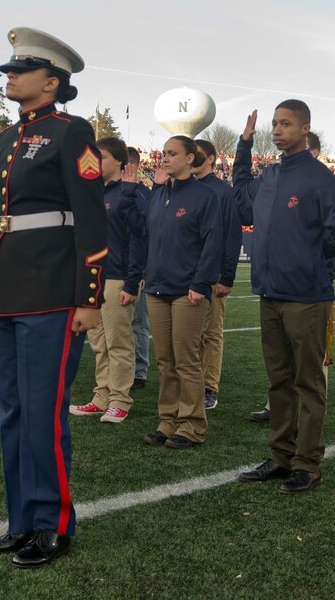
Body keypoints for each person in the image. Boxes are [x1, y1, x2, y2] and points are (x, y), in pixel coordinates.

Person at [0, 27, 107, 568]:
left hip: (53, 290)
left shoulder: (72, 132)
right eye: (8, 70)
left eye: (20, 70)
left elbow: (91, 218)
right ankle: (19, 521)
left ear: (51, 81)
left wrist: (89, 297)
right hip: (10, 286)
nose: (9, 76)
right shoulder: (9, 138)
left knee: (42, 412)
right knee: (12, 411)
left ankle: (52, 523)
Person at [233, 101, 335, 494]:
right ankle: (281, 456)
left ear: (305, 128)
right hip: (270, 294)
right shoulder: (270, 175)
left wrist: (307, 257)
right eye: (274, 123)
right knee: (278, 382)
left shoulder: (320, 178)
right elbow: (240, 203)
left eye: (285, 123)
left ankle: (308, 464)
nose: (277, 129)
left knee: (308, 384)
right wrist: (244, 145)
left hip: (306, 296)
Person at [245, 131, 335, 423]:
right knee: (281, 362)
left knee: (310, 361)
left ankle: (308, 416)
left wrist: (317, 269)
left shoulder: (321, 182)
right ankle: (277, 407)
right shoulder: (277, 181)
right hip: (279, 286)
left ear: (316, 153)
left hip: (310, 286)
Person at [142, 136, 221, 449]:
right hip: (158, 288)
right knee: (165, 360)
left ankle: (192, 426)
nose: (164, 158)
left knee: (186, 360)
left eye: (172, 154)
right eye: (163, 153)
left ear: (191, 158)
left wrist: (200, 284)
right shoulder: (160, 194)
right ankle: (168, 420)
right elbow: (148, 234)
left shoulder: (205, 196)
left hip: (187, 290)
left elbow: (212, 242)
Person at [70, 136, 147, 423]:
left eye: (101, 156)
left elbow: (140, 239)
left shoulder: (132, 193)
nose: (95, 161)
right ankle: (101, 396)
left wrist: (132, 281)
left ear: (119, 162)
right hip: (93, 276)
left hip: (117, 277)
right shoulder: (93, 193)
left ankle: (120, 400)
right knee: (99, 342)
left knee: (118, 343)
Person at [192, 138, 243, 410]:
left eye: (199, 154)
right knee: (189, 334)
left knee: (211, 333)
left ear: (211, 158)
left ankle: (209, 387)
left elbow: (233, 236)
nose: (194, 158)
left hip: (211, 275)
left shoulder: (223, 192)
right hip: (185, 272)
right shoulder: (183, 187)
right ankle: (189, 384)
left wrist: (227, 277)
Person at [124, 146, 152, 390]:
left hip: (137, 270)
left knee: (138, 323)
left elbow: (145, 236)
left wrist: (142, 271)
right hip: (118, 268)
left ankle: (139, 372)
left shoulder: (142, 195)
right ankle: (127, 369)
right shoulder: (117, 192)